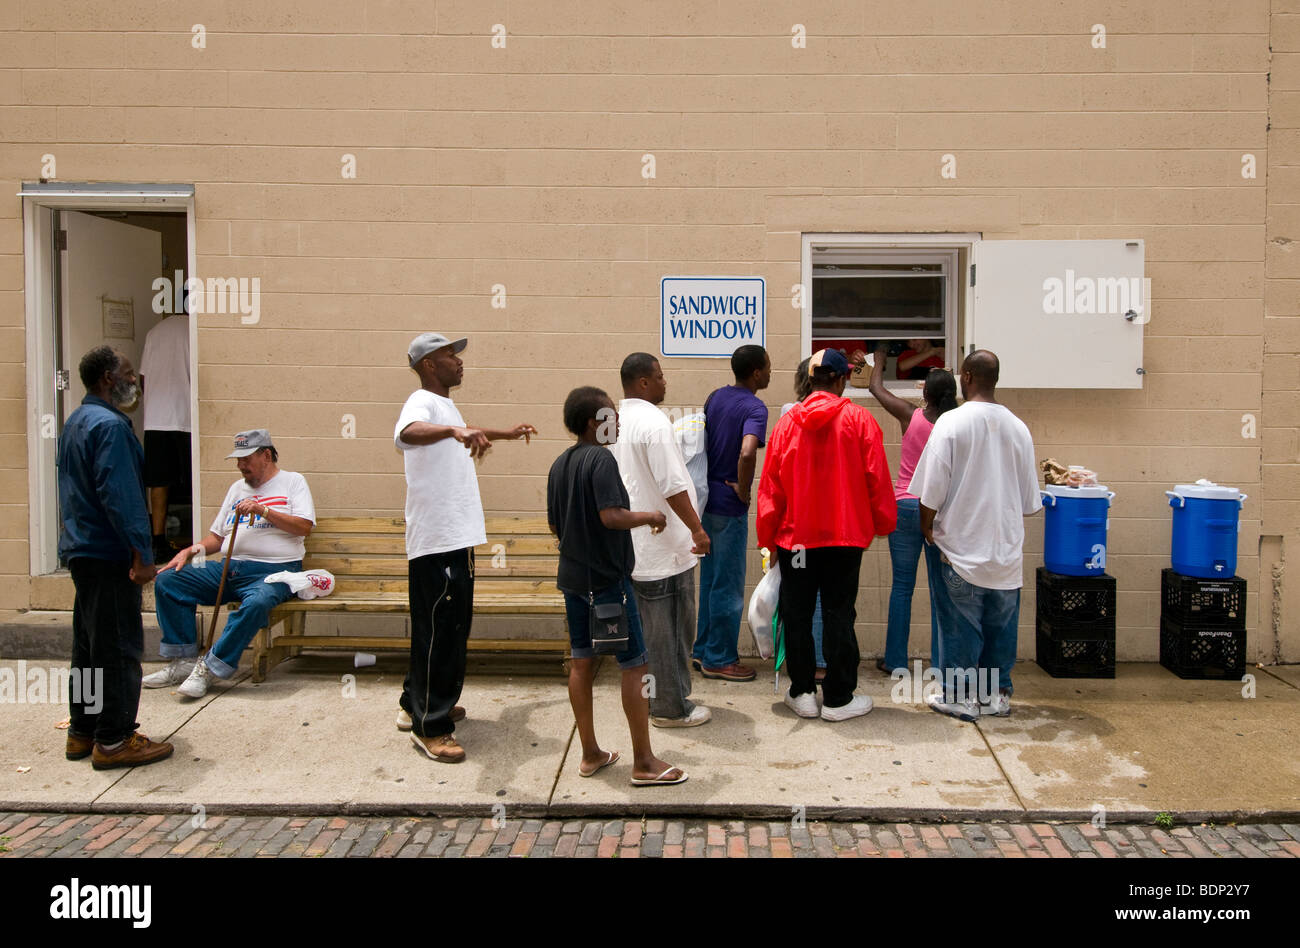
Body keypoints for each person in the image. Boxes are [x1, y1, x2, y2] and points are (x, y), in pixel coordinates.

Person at [394, 332, 537, 763]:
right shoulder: (420, 402)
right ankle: (431, 727)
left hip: (455, 537)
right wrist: (457, 428)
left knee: (447, 628)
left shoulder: (446, 406)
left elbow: (462, 430)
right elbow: (409, 431)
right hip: (437, 540)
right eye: (449, 356)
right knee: (441, 629)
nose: (459, 362)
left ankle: (416, 702)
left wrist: (505, 433)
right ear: (428, 364)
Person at [548, 386, 687, 785]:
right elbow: (611, 516)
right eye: (612, 416)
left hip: (573, 581)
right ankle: (644, 762)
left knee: (581, 661)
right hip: (608, 584)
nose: (619, 422)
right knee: (636, 663)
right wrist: (650, 515)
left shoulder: (560, 463)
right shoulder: (601, 459)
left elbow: (555, 526)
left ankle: (590, 753)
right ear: (595, 423)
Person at [756, 349, 896, 721]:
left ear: (812, 379)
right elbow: (877, 479)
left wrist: (768, 539)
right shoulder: (860, 420)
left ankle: (801, 692)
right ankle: (837, 698)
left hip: (796, 540)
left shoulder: (786, 425)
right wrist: (883, 523)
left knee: (797, 614)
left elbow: (771, 489)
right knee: (838, 614)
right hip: (844, 538)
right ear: (840, 380)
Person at [57, 345, 173, 769]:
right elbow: (122, 497)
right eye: (127, 372)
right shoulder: (111, 428)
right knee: (119, 647)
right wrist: (142, 554)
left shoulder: (76, 422)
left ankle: (82, 730)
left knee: (88, 647)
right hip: (109, 555)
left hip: (82, 550)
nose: (134, 380)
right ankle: (115, 738)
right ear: (108, 378)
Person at [909, 350, 1042, 722]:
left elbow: (930, 491)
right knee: (1000, 629)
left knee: (960, 627)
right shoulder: (1019, 428)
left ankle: (960, 697)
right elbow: (1030, 502)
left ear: (966, 376)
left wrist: (927, 527)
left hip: (960, 548)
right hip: (1005, 551)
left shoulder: (950, 424)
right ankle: (997, 695)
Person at [148, 429, 315, 698]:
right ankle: (183, 662)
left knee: (258, 602)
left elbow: (304, 527)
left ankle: (211, 668)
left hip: (275, 571)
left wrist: (263, 510)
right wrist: (189, 551)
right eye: (237, 460)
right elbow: (217, 537)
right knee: (170, 580)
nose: (240, 466)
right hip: (230, 567)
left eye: (246, 459)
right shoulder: (236, 489)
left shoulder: (293, 482)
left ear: (267, 455)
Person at [610, 353, 711, 728]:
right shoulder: (654, 423)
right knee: (670, 632)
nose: (666, 383)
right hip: (665, 547)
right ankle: (670, 708)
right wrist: (697, 530)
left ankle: (659, 699)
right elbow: (672, 485)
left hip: (635, 548)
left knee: (652, 632)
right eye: (660, 376)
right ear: (643, 383)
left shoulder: (615, 420)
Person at [867, 345, 959, 675]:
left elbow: (876, 388)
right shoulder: (957, 426)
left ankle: (894, 661)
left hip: (905, 506)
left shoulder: (912, 416)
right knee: (941, 591)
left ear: (926, 394)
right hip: (940, 514)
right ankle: (943, 662)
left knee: (902, 588)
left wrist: (879, 359)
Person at [694, 344, 771, 682]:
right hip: (729, 503)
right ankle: (720, 658)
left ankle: (703, 650)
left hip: (708, 501)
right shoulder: (755, 407)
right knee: (728, 585)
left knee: (711, 581)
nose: (770, 372)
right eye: (767, 367)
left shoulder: (716, 397)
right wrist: (743, 487)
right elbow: (747, 450)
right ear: (756, 372)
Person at [778, 357, 825, 681]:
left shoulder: (787, 415)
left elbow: (776, 477)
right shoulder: (848, 415)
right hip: (833, 526)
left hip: (795, 525)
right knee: (830, 601)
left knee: (798, 606)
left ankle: (802, 680)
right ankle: (822, 662)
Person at [139, 304, 191, 565]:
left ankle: (157, 539)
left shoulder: (155, 331)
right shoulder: (195, 330)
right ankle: (193, 539)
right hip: (186, 418)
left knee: (158, 482)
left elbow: (144, 378)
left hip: (156, 419)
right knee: (192, 480)